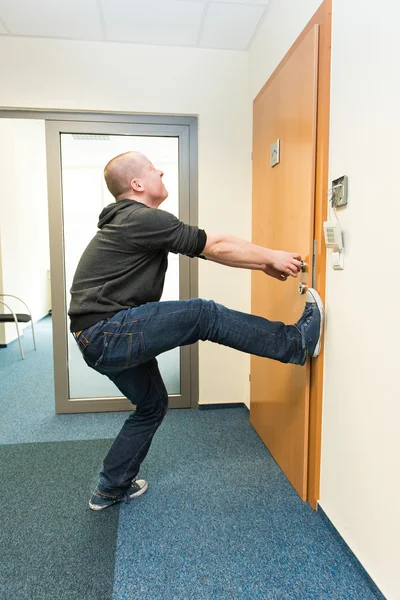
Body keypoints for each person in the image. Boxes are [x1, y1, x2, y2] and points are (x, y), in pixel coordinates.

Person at [68, 151, 324, 511]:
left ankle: (110, 488)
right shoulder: (139, 218)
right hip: (108, 332)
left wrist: (263, 262)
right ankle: (295, 343)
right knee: (202, 314)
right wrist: (270, 255)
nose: (160, 170)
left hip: (95, 337)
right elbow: (214, 244)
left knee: (152, 405)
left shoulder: (131, 221)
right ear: (137, 184)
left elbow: (210, 250)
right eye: (152, 168)